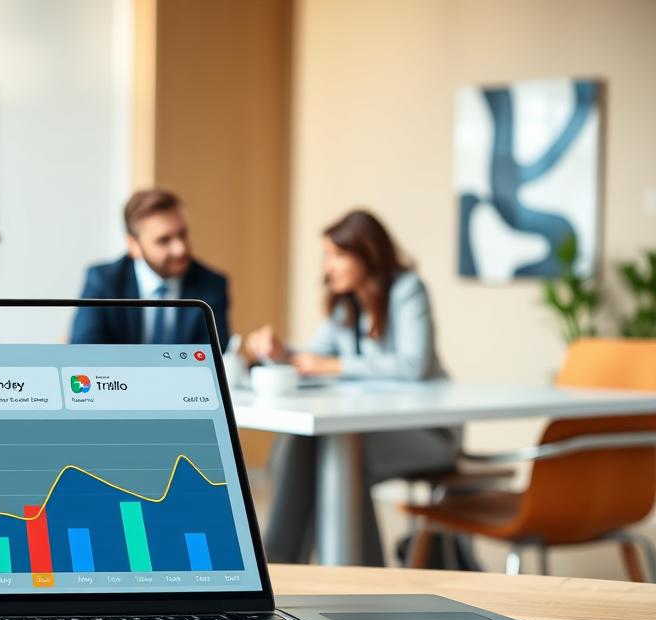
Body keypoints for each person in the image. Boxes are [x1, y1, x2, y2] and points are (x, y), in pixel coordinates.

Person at [244, 210, 462, 566]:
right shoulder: (346, 304)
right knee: (303, 440)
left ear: (367, 254)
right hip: (370, 430)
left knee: (344, 452)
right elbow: (314, 356)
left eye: (337, 255)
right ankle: (280, 563)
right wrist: (280, 352)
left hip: (429, 434)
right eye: (326, 256)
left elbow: (413, 364)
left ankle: (343, 572)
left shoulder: (407, 290)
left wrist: (335, 365)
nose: (328, 267)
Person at [69, 188, 230, 350]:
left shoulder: (212, 285)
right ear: (134, 245)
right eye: (164, 240)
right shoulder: (103, 282)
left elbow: (213, 355)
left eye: (182, 234)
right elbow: (84, 352)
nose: (180, 249)